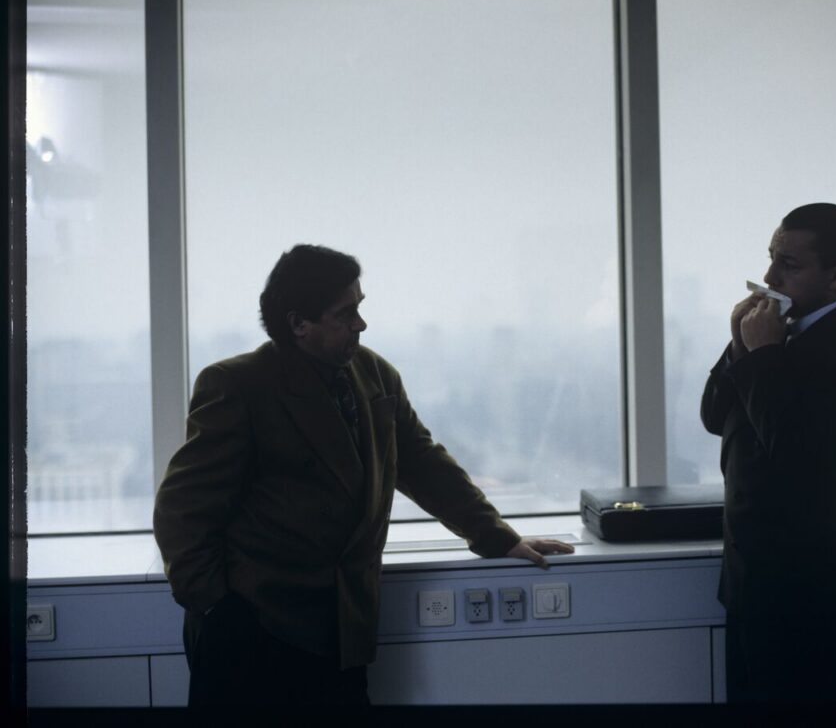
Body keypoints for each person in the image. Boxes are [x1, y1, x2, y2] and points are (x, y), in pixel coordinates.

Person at [153, 244, 574, 708]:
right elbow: (180, 512)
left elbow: (423, 463)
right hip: (253, 632)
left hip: (340, 632)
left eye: (359, 307)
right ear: (299, 324)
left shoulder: (374, 375)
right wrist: (217, 608)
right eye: (345, 313)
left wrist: (499, 538)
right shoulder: (239, 386)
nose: (361, 323)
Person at [700, 203, 836, 703]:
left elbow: (799, 458)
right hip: (749, 583)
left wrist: (763, 357)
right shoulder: (776, 335)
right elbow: (715, 420)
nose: (768, 276)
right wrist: (740, 349)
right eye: (771, 257)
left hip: (805, 593)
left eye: (789, 264)